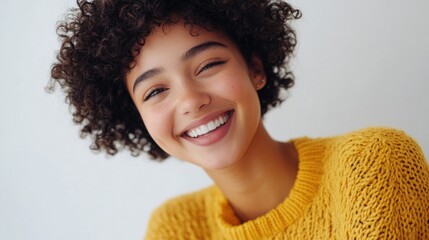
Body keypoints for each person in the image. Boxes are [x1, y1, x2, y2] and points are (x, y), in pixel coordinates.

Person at [49, 0, 429, 239]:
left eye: (209, 64)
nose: (190, 101)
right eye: (155, 91)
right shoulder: (176, 229)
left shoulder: (373, 164)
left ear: (255, 68)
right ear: (140, 118)